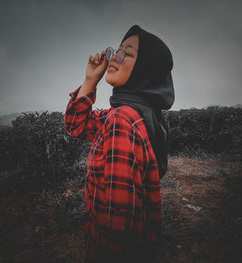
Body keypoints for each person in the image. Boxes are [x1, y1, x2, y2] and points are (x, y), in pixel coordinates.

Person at [64, 24, 175, 263]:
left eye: (129, 53)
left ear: (146, 68)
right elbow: (77, 125)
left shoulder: (122, 120)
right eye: (117, 50)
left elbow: (118, 225)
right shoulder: (138, 114)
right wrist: (90, 81)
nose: (115, 57)